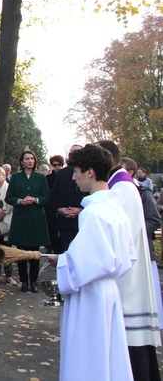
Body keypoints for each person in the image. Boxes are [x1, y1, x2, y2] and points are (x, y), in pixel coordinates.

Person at [46, 144, 135, 381]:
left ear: (90, 172)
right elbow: (127, 256)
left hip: (90, 295)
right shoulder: (116, 209)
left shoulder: (92, 213)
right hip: (109, 291)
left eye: (76, 171)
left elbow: (85, 264)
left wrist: (62, 261)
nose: (73, 178)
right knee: (107, 353)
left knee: (88, 354)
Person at [96, 140, 161, 381]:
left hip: (127, 278)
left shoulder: (120, 188)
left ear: (107, 159)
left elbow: (116, 236)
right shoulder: (121, 184)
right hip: (130, 272)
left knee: (131, 345)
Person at [122, 157, 163, 323]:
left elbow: (154, 220)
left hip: (144, 252)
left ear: (130, 172)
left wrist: (131, 232)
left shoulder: (143, 194)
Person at [5, 150, 50, 293]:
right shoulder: (16, 178)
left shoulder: (41, 178)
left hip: (36, 217)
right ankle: (24, 282)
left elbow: (46, 198)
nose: (30, 161)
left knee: (35, 253)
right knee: (21, 253)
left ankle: (34, 282)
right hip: (21, 218)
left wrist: (35, 200)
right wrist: (19, 201)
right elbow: (9, 197)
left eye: (32, 158)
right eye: (27, 159)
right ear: (22, 162)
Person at [51, 145, 86, 253]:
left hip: (83, 220)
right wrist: (59, 209)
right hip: (65, 221)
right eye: (72, 153)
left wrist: (80, 209)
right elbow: (54, 194)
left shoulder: (89, 172)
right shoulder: (62, 173)